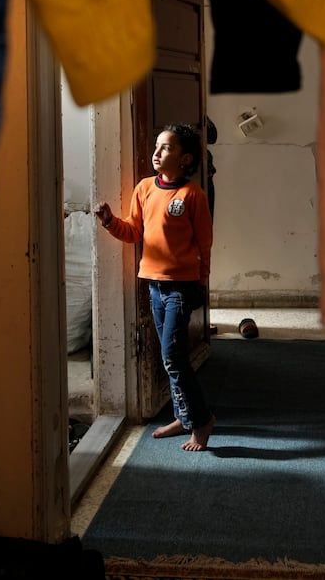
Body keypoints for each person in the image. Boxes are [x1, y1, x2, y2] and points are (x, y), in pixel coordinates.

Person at [95, 123, 215, 451]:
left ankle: (201, 420)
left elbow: (205, 243)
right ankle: (184, 416)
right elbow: (134, 231)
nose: (157, 153)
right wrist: (109, 222)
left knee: (174, 356)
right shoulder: (144, 188)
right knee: (170, 358)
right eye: (157, 146)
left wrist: (201, 281)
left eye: (167, 149)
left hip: (182, 287)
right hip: (154, 286)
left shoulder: (192, 195)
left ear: (186, 159)